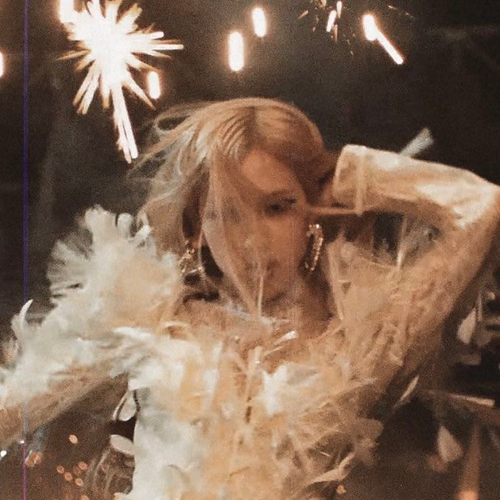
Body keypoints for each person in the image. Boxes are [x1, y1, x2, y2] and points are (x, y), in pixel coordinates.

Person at [1, 97, 499, 500]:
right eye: (227, 212)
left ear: (311, 213)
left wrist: (352, 172)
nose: (252, 242)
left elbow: (480, 206)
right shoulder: (148, 317)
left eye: (277, 208)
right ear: (196, 228)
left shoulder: (363, 335)